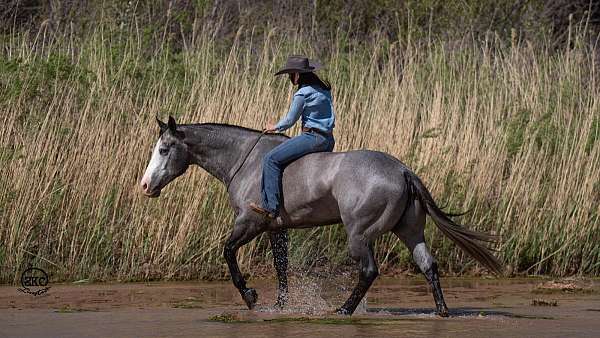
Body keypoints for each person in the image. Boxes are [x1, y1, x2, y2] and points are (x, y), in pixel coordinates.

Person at [249, 55, 336, 219]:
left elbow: (290, 120)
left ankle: (270, 207)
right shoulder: (323, 89)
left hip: (313, 138)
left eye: (290, 74)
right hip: (328, 140)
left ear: (297, 75)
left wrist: (273, 127)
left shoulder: (303, 94)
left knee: (270, 159)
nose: (290, 78)